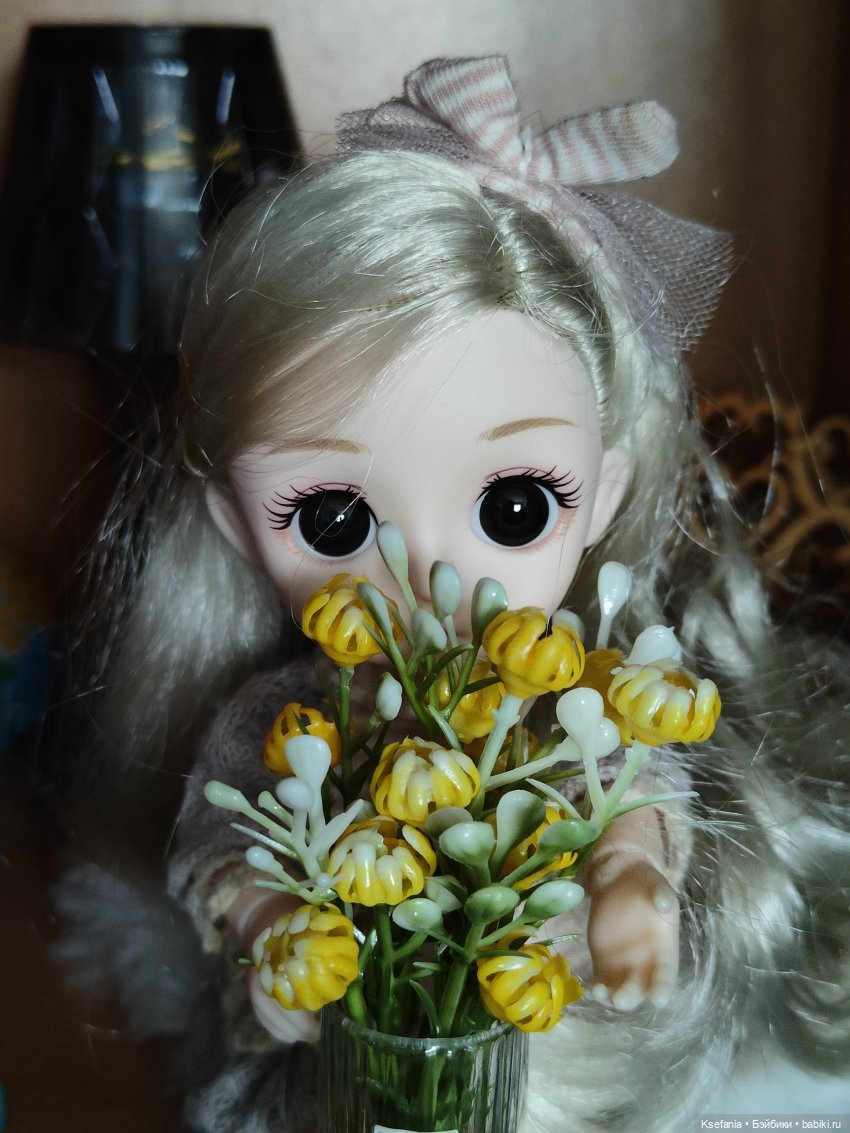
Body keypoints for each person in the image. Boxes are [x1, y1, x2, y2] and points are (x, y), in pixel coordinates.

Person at [63, 57, 850, 1133]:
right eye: (332, 520)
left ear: (603, 492)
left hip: (546, 1054)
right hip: (357, 1064)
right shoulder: (287, 723)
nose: (430, 573)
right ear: (239, 525)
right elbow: (221, 842)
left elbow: (636, 792)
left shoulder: (569, 703)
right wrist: (274, 929)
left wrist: (628, 882)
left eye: (515, 507)